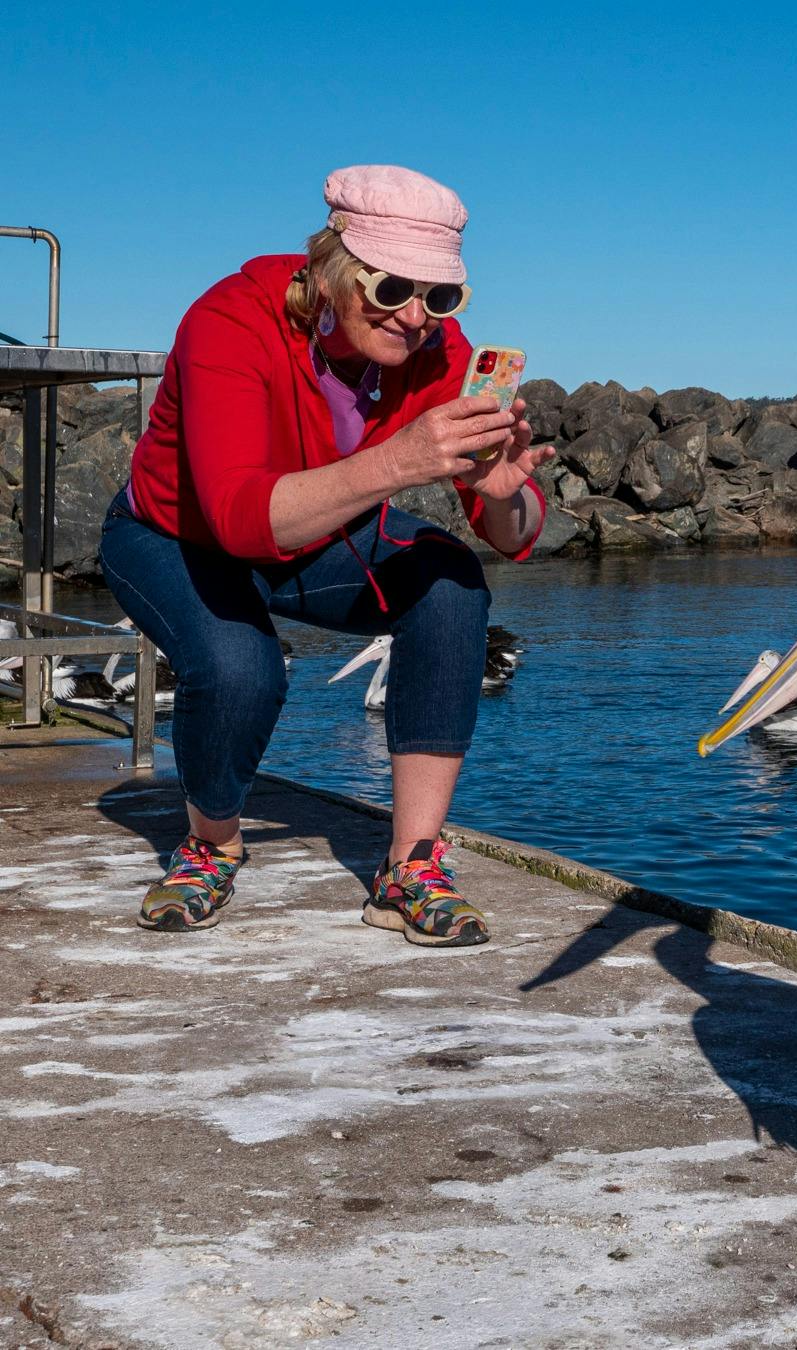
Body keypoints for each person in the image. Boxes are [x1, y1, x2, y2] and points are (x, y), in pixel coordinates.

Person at [100, 164, 555, 948]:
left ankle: (411, 866)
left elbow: (513, 534)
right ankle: (211, 842)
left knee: (451, 582)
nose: (416, 317)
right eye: (391, 289)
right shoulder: (229, 320)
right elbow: (242, 521)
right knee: (242, 669)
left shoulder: (439, 349)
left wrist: (501, 487)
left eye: (439, 296)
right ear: (335, 267)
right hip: (174, 533)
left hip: (319, 527)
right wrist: (404, 461)